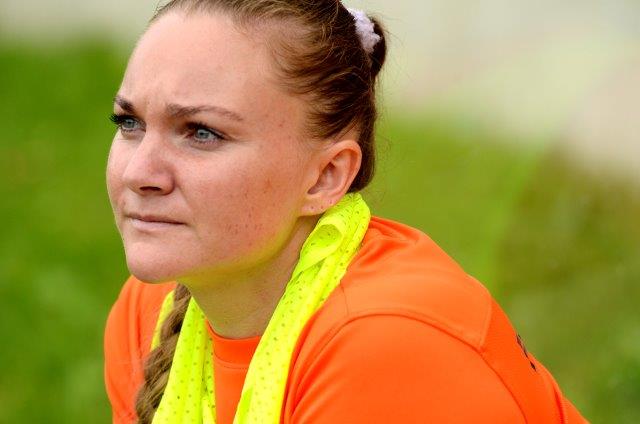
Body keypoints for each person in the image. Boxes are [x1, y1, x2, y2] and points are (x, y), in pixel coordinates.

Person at [103, 1, 589, 423]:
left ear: (325, 176)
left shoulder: (388, 345)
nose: (139, 172)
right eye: (129, 123)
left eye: (202, 132)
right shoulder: (154, 306)